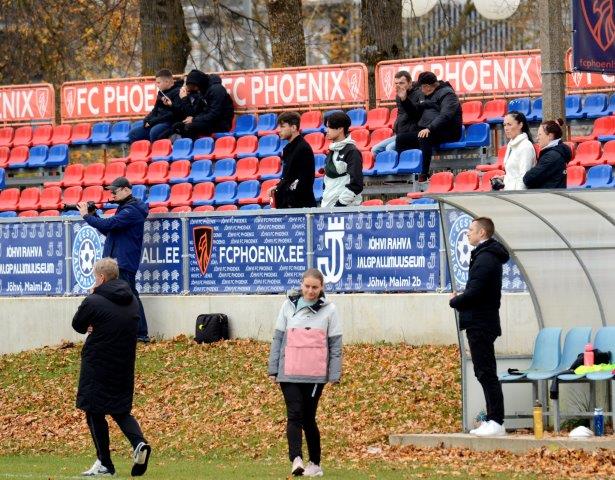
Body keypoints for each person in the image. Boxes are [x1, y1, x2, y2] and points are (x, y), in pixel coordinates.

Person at [73, 258, 151, 477]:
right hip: (124, 365)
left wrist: (92, 303)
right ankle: (139, 443)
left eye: (94, 277)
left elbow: (78, 325)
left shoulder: (94, 300)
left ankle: (105, 463)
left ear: (101, 278)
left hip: (97, 364)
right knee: (120, 410)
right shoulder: (132, 299)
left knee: (93, 410)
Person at [268, 268, 342, 477]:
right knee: (294, 414)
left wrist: (334, 374)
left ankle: (315, 464)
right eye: (307, 286)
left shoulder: (330, 310)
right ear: (301, 285)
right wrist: (273, 368)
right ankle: (296, 459)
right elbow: (278, 338)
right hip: (288, 372)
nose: (310, 291)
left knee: (309, 418)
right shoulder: (287, 306)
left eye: (315, 287)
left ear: (322, 288)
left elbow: (335, 345)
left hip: (315, 375)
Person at [449, 217, 510, 437]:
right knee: (483, 372)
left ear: (482, 233)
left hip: (481, 322)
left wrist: (455, 301)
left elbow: (476, 292)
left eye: (471, 230)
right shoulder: (484, 255)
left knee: (486, 372)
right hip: (481, 321)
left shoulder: (486, 258)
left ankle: (496, 421)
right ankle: (492, 419)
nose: (467, 233)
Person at [78, 177, 150, 342]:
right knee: (122, 296)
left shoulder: (131, 210)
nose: (112, 194)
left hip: (123, 262)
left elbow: (108, 225)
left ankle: (141, 333)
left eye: (115, 191)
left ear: (126, 189)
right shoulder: (125, 208)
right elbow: (110, 231)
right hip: (117, 262)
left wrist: (87, 216)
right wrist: (94, 215)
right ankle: (134, 332)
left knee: (130, 297)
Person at [394, 71, 463, 182]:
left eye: (421, 87)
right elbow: (415, 112)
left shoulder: (448, 95)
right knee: (401, 139)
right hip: (432, 130)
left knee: (424, 136)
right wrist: (404, 100)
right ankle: (402, 175)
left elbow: (445, 115)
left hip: (449, 131)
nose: (420, 90)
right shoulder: (427, 95)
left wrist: (429, 128)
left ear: (427, 86)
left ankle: (424, 174)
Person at [169, 69, 234, 140]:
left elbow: (214, 114)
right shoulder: (202, 91)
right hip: (207, 121)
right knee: (177, 126)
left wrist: (194, 119)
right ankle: (182, 144)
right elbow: (194, 113)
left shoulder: (217, 90)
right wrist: (185, 99)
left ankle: (191, 146)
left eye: (194, 87)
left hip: (221, 123)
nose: (195, 89)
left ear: (198, 83)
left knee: (190, 127)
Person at [272, 111, 317, 208]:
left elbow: (303, 181)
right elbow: (288, 177)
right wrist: (277, 188)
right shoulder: (289, 148)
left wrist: (286, 195)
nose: (278, 130)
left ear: (293, 128)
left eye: (282, 127)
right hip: (289, 205)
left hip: (299, 207)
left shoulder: (303, 148)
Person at [372, 71, 420, 156]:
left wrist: (404, 99)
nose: (398, 86)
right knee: (375, 150)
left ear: (410, 82)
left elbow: (415, 115)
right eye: (396, 83)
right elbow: (400, 114)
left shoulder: (419, 94)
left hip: (413, 134)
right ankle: (386, 165)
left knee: (390, 148)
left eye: (401, 83)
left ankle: (398, 165)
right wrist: (396, 128)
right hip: (400, 133)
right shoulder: (398, 96)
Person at [320, 111, 363, 207]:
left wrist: (339, 205)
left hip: (344, 210)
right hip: (328, 206)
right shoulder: (332, 149)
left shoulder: (352, 152)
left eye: (329, 127)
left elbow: (356, 184)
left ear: (340, 129)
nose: (327, 130)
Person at [129, 69, 182, 143]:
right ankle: (142, 149)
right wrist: (147, 119)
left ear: (167, 82)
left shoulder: (178, 92)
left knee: (154, 132)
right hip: (156, 121)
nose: (157, 85)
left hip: (168, 122)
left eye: (158, 83)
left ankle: (155, 148)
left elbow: (171, 115)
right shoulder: (161, 93)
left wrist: (153, 122)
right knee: (133, 133)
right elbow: (155, 110)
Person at [494, 111, 536, 190]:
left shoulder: (526, 146)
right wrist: (504, 178)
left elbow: (523, 178)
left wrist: (517, 196)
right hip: (508, 192)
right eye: (504, 125)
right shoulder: (511, 144)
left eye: (509, 124)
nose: (506, 128)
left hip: (517, 194)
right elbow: (514, 173)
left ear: (520, 125)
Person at [523, 119, 569, 189]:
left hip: (548, 195)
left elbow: (528, 179)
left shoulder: (551, 157)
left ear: (550, 136)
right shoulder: (556, 152)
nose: (537, 138)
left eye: (540, 134)